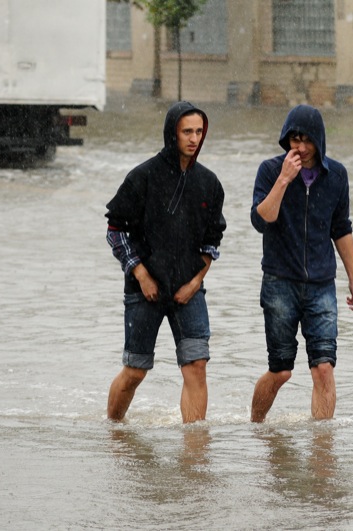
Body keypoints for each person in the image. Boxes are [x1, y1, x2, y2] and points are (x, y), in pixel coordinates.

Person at [105, 101, 226, 423]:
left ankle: (195, 451)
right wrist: (141, 274)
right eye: (187, 131)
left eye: (199, 131)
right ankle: (113, 432)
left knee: (196, 366)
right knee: (135, 371)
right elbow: (115, 231)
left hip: (189, 291)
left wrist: (195, 281)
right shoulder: (142, 177)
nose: (194, 139)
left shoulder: (209, 183)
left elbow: (212, 241)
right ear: (172, 133)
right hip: (145, 289)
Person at [250, 104, 353, 423]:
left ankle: (322, 454)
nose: (299, 148)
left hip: (321, 285)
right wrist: (284, 180)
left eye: (306, 140)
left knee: (324, 368)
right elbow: (262, 220)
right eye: (294, 139)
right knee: (281, 371)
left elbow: (341, 228)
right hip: (279, 283)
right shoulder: (269, 170)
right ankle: (256, 429)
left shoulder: (337, 175)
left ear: (319, 141)